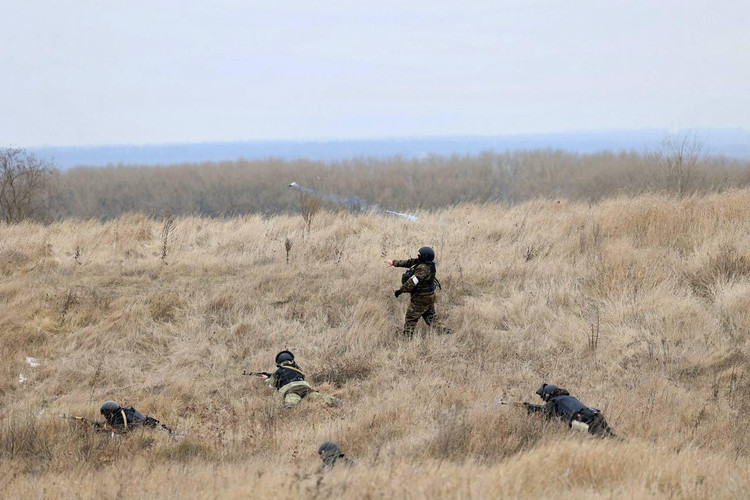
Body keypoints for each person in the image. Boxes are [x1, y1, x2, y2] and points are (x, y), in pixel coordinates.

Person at [385, 246, 450, 337]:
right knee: (431, 318)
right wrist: (393, 263)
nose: (418, 256)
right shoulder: (427, 263)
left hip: (421, 299)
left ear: (424, 256)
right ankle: (445, 333)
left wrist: (400, 290)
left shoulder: (423, 269)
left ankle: (407, 339)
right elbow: (409, 262)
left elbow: (412, 282)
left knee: (410, 318)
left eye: (419, 254)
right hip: (429, 297)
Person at [257, 350, 341, 409]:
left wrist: (265, 379)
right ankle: (336, 401)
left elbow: (271, 384)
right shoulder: (298, 369)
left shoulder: (278, 372)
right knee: (319, 396)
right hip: (305, 387)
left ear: (278, 363)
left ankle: (289, 406)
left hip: (291, 390)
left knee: (290, 403)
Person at [526, 384, 616, 438]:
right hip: (595, 414)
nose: (543, 398)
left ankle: (627, 449)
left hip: (585, 419)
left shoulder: (554, 401)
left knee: (604, 439)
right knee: (611, 436)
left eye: (543, 395)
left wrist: (527, 407)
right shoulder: (567, 397)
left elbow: (544, 411)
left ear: (548, 394)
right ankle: (627, 445)